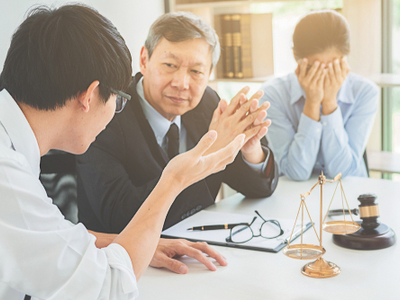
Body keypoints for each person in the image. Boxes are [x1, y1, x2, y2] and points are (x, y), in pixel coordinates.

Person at [0, 5, 246, 299]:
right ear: (90, 96)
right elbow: (110, 288)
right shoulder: (6, 175)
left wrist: (126, 243)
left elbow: (42, 234)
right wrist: (173, 181)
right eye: (118, 100)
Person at [76, 11, 279, 273]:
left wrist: (250, 150)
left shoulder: (207, 104)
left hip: (198, 257)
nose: (182, 83)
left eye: (196, 71)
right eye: (170, 66)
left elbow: (258, 188)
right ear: (144, 60)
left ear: (209, 74)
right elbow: (120, 217)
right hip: (121, 267)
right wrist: (210, 154)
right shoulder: (107, 111)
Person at [260, 10, 379, 181]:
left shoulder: (365, 92)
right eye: (315, 68)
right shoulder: (273, 95)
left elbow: (342, 172)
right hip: (294, 197)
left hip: (349, 195)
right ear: (296, 57)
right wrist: (312, 103)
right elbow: (296, 172)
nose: (324, 78)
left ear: (345, 59)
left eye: (333, 68)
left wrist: (330, 102)